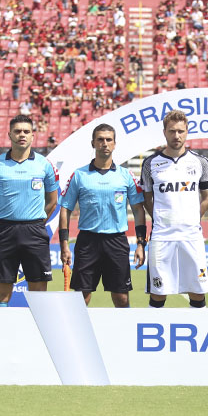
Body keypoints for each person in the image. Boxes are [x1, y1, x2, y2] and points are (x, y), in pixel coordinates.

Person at [58, 124, 146, 308]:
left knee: (121, 297)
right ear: (93, 143)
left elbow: (138, 209)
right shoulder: (79, 175)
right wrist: (64, 245)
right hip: (88, 242)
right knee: (82, 296)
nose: (104, 143)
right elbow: (65, 208)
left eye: (108, 140)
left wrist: (140, 244)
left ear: (114, 144)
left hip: (116, 241)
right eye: (100, 139)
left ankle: (123, 334)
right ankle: (78, 335)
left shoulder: (126, 175)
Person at [140, 111, 208, 308]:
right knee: (158, 293)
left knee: (197, 292)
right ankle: (152, 338)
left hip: (192, 236)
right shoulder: (150, 164)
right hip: (162, 237)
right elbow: (147, 198)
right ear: (164, 132)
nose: (176, 135)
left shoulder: (201, 162)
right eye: (172, 131)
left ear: (187, 132)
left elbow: (207, 197)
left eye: (181, 131)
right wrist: (162, 218)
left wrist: (191, 218)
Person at [0, 115, 59, 306]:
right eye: (17, 131)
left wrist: (35, 223)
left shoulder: (44, 164)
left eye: (26, 131)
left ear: (33, 136)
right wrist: (12, 216)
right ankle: (0, 335)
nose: (22, 135)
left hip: (35, 231)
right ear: (9, 134)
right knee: (1, 295)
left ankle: (37, 335)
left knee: (38, 296)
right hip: (5, 230)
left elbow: (52, 201)